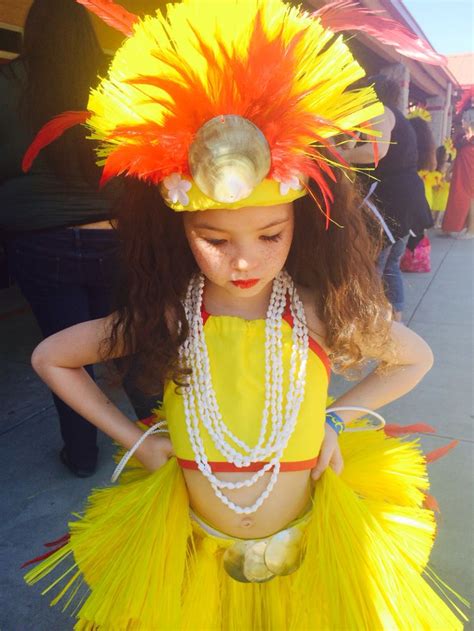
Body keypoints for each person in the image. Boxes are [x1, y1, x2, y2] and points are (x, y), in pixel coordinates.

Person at [23, 1, 465, 628]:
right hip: (192, 547)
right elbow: (52, 357)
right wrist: (142, 444)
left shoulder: (311, 312)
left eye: (269, 234)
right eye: (215, 238)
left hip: (314, 542)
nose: (243, 259)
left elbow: (414, 357)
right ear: (179, 232)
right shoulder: (175, 317)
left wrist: (335, 419)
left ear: (300, 226)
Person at [0, 0, 151, 478]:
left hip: (39, 241)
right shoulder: (118, 81)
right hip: (118, 236)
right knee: (132, 342)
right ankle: (165, 439)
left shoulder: (7, 84)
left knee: (66, 355)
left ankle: (82, 456)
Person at [339, 76, 433, 322]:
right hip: (408, 198)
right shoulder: (395, 116)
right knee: (390, 265)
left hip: (391, 200)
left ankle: (372, 324)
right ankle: (395, 322)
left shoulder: (380, 112)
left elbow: (376, 151)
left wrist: (337, 154)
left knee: (370, 265)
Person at [442, 108, 474, 239]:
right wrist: (449, 171)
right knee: (460, 195)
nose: (462, 121)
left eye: (465, 119)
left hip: (470, 170)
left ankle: (471, 230)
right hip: (462, 170)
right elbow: (458, 156)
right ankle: (463, 226)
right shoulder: (464, 138)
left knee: (470, 197)